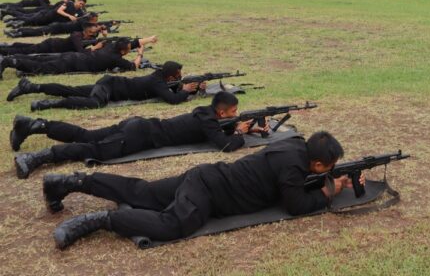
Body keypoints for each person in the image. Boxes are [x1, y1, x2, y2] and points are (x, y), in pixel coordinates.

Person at [47, 132, 359, 249]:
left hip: (206, 175)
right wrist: (328, 193)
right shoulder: (293, 170)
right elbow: (296, 205)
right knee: (174, 225)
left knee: (141, 191)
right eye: (327, 167)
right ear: (317, 164)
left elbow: (292, 182)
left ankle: (74, 181)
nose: (329, 172)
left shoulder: (292, 146)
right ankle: (101, 221)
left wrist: (323, 180)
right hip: (209, 194)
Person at [12, 91, 258, 179]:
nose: (235, 114)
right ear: (221, 111)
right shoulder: (209, 121)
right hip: (140, 136)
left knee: (87, 134)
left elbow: (216, 129)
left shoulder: (206, 113)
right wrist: (239, 133)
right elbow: (225, 146)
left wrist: (246, 126)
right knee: (95, 150)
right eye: (233, 112)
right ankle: (36, 157)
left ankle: (35, 125)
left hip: (139, 124)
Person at [6, 60, 201, 109]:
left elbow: (170, 87)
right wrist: (185, 91)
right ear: (170, 75)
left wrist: (194, 86)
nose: (179, 77)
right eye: (177, 75)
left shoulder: (159, 77)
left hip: (109, 83)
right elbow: (173, 100)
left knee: (71, 90)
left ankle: (31, 87)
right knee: (95, 103)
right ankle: (46, 104)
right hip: (109, 88)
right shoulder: (157, 81)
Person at [0, 36, 156, 79]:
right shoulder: (116, 59)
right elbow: (133, 67)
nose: (132, 48)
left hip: (73, 56)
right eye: (129, 49)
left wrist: (148, 39)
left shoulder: (111, 44)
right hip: (71, 64)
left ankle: (12, 57)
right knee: (40, 67)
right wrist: (140, 53)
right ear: (123, 51)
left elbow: (132, 42)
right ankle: (9, 61)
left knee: (41, 59)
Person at [0, 22, 103, 56]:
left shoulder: (87, 36)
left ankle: (10, 45)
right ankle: (3, 51)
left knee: (30, 46)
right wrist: (94, 48)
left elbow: (93, 41)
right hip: (51, 46)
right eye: (92, 33)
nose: (93, 35)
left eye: (94, 33)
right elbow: (80, 51)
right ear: (86, 31)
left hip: (53, 46)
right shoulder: (77, 36)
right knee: (27, 51)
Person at [7, 0, 87, 27]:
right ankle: (14, 21)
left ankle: (16, 21)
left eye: (82, 5)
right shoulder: (69, 3)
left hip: (54, 21)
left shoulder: (80, 12)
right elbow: (59, 11)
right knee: (33, 19)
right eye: (80, 3)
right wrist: (69, 16)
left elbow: (79, 19)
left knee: (36, 23)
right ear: (77, 1)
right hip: (50, 14)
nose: (81, 5)